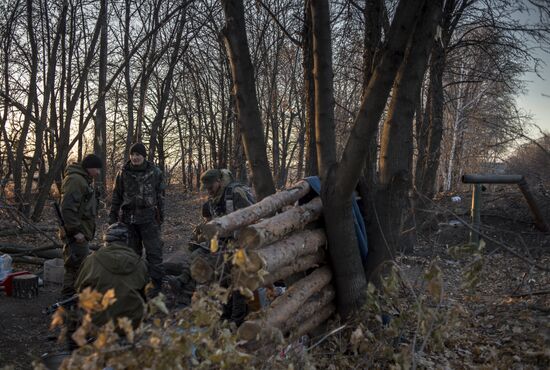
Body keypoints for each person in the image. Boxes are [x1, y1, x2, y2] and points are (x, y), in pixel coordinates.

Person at [171, 169, 254, 326]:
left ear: (219, 181)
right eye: (206, 188)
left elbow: (253, 215)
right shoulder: (213, 199)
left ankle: (237, 321)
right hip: (223, 243)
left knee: (238, 282)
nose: (208, 190)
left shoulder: (236, 193)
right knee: (222, 279)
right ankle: (225, 318)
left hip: (242, 243)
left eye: (211, 186)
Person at [109, 143, 165, 297]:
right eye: (132, 154)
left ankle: (156, 286)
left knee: (154, 253)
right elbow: (116, 196)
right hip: (129, 220)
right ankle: (135, 285)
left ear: (144, 156)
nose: (135, 157)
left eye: (138, 154)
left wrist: (161, 217)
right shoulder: (122, 173)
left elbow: (161, 197)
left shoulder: (155, 172)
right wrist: (112, 217)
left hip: (149, 219)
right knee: (132, 254)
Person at [75, 222, 149, 329]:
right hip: (131, 324)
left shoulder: (92, 260)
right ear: (126, 241)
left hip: (100, 324)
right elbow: (145, 294)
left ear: (106, 241)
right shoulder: (140, 263)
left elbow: (79, 288)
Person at [60, 154, 102, 298]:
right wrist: (76, 231)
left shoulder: (83, 180)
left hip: (81, 231)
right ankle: (67, 301)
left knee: (80, 266)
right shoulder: (76, 180)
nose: (98, 173)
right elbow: (67, 208)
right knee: (75, 266)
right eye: (97, 169)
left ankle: (75, 299)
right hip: (76, 234)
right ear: (90, 168)